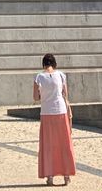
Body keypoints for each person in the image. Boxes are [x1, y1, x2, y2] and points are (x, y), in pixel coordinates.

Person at [33, 53, 76, 186]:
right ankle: (66, 175)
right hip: (61, 111)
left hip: (46, 113)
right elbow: (65, 95)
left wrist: (43, 93)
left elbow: (35, 97)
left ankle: (50, 176)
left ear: (43, 64)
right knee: (64, 143)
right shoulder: (61, 75)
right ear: (54, 64)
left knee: (48, 145)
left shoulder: (39, 77)